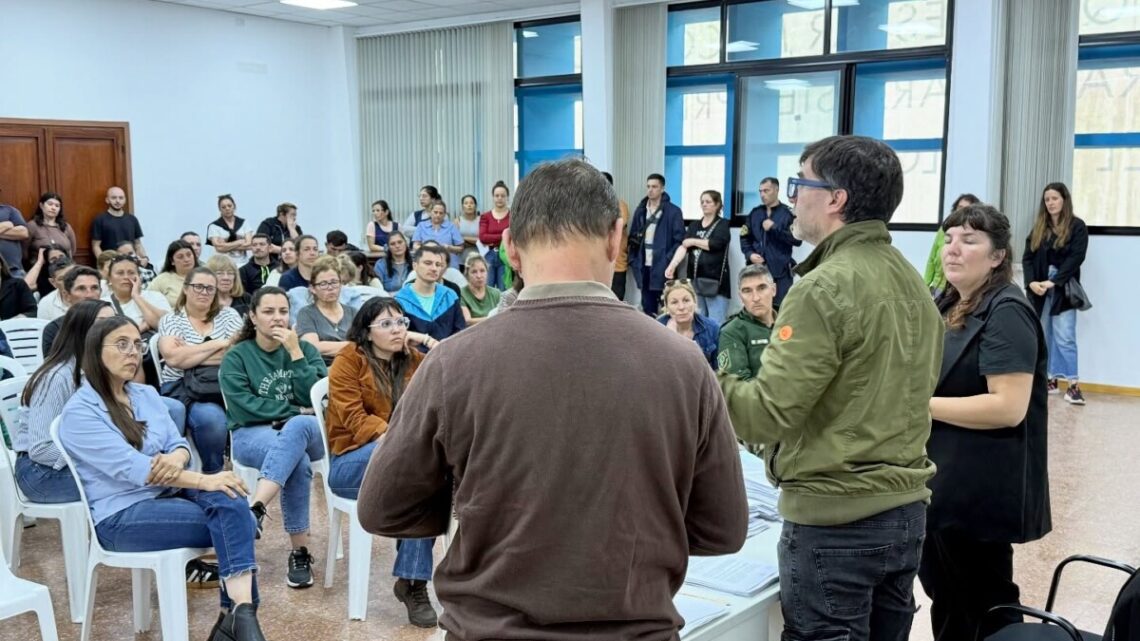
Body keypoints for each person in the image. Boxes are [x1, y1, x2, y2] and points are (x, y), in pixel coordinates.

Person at [357, 158, 747, 641]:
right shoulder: (685, 364)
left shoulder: (452, 363)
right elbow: (722, 529)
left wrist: (479, 505)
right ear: (616, 238)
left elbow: (384, 508)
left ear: (510, 249)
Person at [718, 135, 944, 641]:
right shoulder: (912, 281)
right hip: (905, 513)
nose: (793, 197)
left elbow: (765, 416)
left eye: (800, 183)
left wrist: (698, 376)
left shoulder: (822, 288)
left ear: (836, 199)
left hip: (837, 525)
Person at [59, 316, 266, 641]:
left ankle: (238, 615)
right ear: (95, 352)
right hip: (121, 517)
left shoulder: (145, 394)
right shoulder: (79, 413)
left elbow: (177, 443)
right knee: (240, 519)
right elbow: (140, 471)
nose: (133, 352)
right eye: (122, 344)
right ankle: (239, 621)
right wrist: (205, 480)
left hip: (170, 493)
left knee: (230, 500)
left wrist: (176, 458)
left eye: (137, 344)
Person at [920, 204, 1051, 641]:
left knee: (982, 605)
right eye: (949, 239)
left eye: (969, 240)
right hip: (945, 480)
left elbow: (1007, 407)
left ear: (997, 257)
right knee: (949, 597)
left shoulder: (1006, 310)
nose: (953, 249)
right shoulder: (949, 300)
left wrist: (919, 405)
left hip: (978, 489)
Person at [324, 297, 438, 627]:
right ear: (367, 331)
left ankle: (412, 582)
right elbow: (355, 419)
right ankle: (413, 582)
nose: (397, 329)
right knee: (422, 468)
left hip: (403, 462)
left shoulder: (413, 360)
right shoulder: (348, 359)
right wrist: (403, 443)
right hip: (351, 463)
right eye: (386, 324)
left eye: (401, 322)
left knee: (426, 481)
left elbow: (443, 387)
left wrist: (425, 340)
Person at [220, 286, 326, 588]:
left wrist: (295, 354)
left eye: (283, 311)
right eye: (268, 311)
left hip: (308, 432)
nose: (277, 318)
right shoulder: (237, 356)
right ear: (253, 317)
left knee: (299, 427)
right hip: (252, 432)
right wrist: (295, 410)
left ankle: (254, 509)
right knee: (297, 461)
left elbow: (317, 399)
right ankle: (300, 552)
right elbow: (244, 407)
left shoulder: (304, 350)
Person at [14, 300, 116, 503]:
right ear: (81, 329)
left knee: (148, 474)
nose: (114, 330)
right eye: (103, 323)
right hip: (41, 472)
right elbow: (41, 449)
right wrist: (99, 456)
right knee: (136, 480)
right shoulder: (57, 377)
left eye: (114, 322)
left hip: (79, 459)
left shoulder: (99, 367)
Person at [158, 267, 243, 475]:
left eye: (210, 288)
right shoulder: (171, 319)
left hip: (223, 385)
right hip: (181, 387)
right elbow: (173, 359)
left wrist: (189, 353)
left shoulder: (228, 315)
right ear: (186, 288)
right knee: (211, 419)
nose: (204, 292)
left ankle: (226, 470)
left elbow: (239, 354)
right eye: (198, 287)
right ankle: (212, 473)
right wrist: (219, 344)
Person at [1023, 181, 1089, 405]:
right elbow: (1028, 257)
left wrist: (1054, 281)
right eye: (1047, 199)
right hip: (1040, 289)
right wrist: (1031, 282)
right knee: (1043, 335)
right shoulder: (1040, 228)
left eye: (1054, 198)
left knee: (1065, 336)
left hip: (1062, 288)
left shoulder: (1077, 226)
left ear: (1064, 200)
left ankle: (1073, 386)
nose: (1050, 203)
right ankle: (1050, 380)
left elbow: (1077, 257)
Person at [664, 190, 731, 324]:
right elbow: (684, 246)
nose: (704, 204)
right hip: (695, 280)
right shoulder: (694, 225)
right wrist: (672, 265)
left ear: (717, 205)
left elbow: (716, 244)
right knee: (697, 321)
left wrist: (693, 241)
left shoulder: (722, 224)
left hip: (715, 282)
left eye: (708, 202)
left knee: (716, 322)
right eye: (702, 202)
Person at [628, 173, 684, 317]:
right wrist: (633, 259)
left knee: (668, 307)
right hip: (643, 265)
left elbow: (679, 240)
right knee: (647, 308)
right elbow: (633, 237)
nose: (650, 190)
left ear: (662, 188)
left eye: (654, 187)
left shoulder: (673, 211)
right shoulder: (641, 210)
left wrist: (668, 259)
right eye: (648, 186)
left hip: (663, 266)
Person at [739, 177, 801, 306]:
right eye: (760, 191)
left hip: (780, 273)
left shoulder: (788, 214)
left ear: (776, 190)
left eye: (766, 191)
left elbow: (797, 240)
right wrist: (750, 254)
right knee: (756, 307)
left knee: (780, 309)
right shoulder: (755, 213)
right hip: (757, 270)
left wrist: (774, 228)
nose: (762, 194)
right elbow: (744, 237)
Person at [394, 244, 465, 342]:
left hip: (449, 350)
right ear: (415, 266)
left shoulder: (450, 296)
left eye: (438, 265)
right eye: (428, 263)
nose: (434, 268)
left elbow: (460, 332)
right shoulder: (399, 301)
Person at [717, 265, 777, 381]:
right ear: (740, 296)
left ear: (773, 290)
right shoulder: (732, 332)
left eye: (761, 288)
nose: (756, 298)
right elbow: (736, 384)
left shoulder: (790, 322)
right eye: (747, 291)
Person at [295, 256, 357, 364]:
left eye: (334, 282)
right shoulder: (306, 313)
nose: (330, 288)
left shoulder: (353, 312)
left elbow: (367, 346)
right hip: (322, 367)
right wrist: (353, 346)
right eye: (323, 284)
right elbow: (312, 347)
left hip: (353, 365)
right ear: (313, 288)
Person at [102, 254, 171, 340]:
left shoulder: (155, 296)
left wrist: (136, 296)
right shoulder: (103, 305)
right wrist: (141, 328)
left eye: (131, 273)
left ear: (139, 276)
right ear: (109, 278)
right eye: (120, 273)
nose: (126, 277)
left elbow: (167, 326)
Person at [924, 193, 981, 297]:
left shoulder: (975, 234)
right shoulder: (944, 230)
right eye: (960, 208)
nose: (962, 212)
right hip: (938, 287)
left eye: (967, 209)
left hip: (959, 288)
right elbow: (931, 258)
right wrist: (925, 285)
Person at [657, 280, 718, 369]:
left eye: (686, 300)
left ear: (695, 302)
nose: (681, 307)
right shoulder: (656, 329)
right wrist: (670, 339)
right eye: (674, 302)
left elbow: (719, 369)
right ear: (667, 307)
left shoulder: (712, 328)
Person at [42, 266, 103, 353]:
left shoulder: (115, 324)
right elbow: (55, 361)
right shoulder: (55, 330)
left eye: (94, 288)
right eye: (81, 288)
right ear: (67, 295)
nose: (89, 295)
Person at [90, 186, 150, 267]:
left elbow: (138, 244)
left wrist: (144, 258)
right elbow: (96, 246)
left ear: (125, 200)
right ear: (107, 200)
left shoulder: (132, 219)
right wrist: (104, 264)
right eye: (114, 198)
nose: (118, 201)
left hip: (131, 264)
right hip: (110, 264)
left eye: (121, 198)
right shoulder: (100, 220)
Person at [24, 192, 77, 273]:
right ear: (41, 205)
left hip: (65, 270)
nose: (53, 208)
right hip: (39, 271)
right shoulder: (32, 226)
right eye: (50, 204)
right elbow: (24, 251)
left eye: (57, 206)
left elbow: (72, 250)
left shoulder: (66, 227)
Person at [602, 172, 631, 301]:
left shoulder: (620, 205)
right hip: (598, 264)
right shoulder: (591, 207)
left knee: (615, 301)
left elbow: (616, 226)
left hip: (617, 264)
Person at [412, 200, 463, 269]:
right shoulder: (421, 225)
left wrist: (449, 247)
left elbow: (460, 248)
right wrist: (427, 249)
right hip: (428, 265)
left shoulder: (451, 226)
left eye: (441, 213)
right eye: (435, 212)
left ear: (444, 214)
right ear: (430, 212)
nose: (438, 215)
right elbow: (415, 245)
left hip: (449, 266)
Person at [479, 180, 511, 289]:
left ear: (507, 197)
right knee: (487, 288)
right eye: (497, 195)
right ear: (493, 197)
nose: (499, 198)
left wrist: (492, 238)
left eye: (503, 195)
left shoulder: (513, 216)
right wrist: (504, 235)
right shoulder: (485, 216)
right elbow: (483, 237)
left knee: (504, 289)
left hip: (506, 255)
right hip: (489, 254)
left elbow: (514, 236)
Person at [148, 240, 198, 306]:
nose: (186, 259)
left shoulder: (204, 276)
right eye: (180, 257)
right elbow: (147, 300)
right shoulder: (162, 279)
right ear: (172, 261)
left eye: (189, 255)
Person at [207, 194, 252, 265]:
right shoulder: (214, 226)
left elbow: (249, 244)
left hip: (243, 263)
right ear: (219, 209)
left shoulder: (244, 223)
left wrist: (225, 245)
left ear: (234, 206)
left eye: (229, 206)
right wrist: (239, 242)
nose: (227, 209)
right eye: (223, 207)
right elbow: (218, 248)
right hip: (223, 264)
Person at [458, 254, 501, 325]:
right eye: (474, 272)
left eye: (482, 271)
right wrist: (493, 318)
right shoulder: (461, 293)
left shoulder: (496, 293)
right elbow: (467, 321)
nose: (479, 276)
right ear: (467, 274)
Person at [0, 255, 37, 320]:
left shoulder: (17, 285)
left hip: (16, 325)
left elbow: (33, 311)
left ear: (0, 265)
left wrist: (17, 319)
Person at [455, 195, 482, 269]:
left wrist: (464, 238)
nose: (469, 205)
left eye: (471, 203)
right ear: (462, 206)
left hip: (479, 259)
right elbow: (456, 242)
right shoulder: (457, 221)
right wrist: (474, 242)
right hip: (461, 261)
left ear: (475, 206)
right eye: (466, 203)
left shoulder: (481, 220)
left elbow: (483, 240)